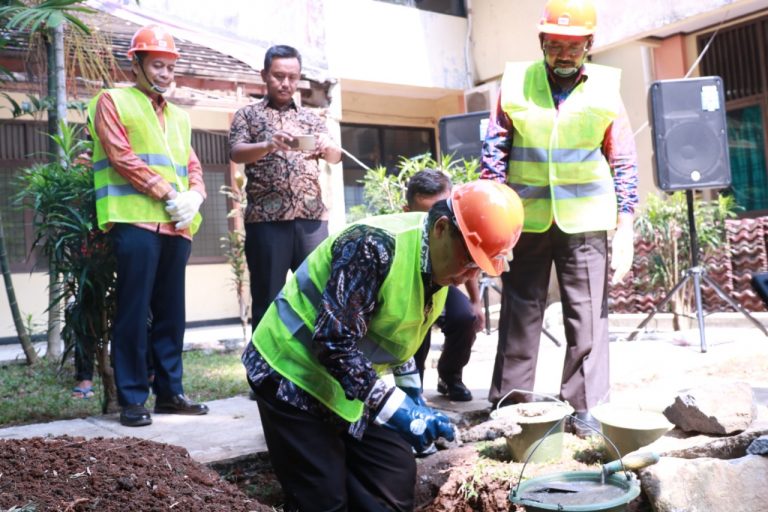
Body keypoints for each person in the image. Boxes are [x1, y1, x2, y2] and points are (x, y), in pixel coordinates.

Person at [243, 180, 523, 511]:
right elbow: (333, 342)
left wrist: (413, 398)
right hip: (290, 372)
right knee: (322, 499)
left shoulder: (438, 266)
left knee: (393, 476)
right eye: (469, 260)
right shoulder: (373, 247)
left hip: (342, 383)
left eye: (479, 267)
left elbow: (395, 334)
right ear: (441, 229)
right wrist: (395, 408)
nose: (468, 276)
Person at [480, 0, 638, 437]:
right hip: (524, 219)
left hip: (585, 220)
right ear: (542, 42)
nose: (564, 54)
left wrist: (626, 223)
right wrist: (494, 221)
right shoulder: (516, 82)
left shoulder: (606, 87)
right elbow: (494, 152)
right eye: (555, 45)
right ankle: (509, 405)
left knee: (587, 318)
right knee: (519, 313)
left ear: (589, 45)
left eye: (573, 46)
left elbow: (623, 158)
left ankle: (585, 409)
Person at [88, 24, 209, 427]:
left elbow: (192, 164)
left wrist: (196, 195)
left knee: (172, 315)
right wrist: (168, 193)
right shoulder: (112, 101)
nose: (165, 74)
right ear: (136, 64)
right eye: (157, 65)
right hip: (135, 222)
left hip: (176, 227)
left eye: (170, 67)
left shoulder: (179, 117)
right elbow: (121, 155)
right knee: (133, 312)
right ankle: (133, 398)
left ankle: (171, 394)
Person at [228, 44, 343, 333]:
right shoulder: (247, 115)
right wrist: (269, 144)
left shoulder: (311, 118)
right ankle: (264, 362)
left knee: (318, 296)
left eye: (292, 77)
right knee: (267, 299)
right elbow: (236, 152)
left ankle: (316, 359)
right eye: (279, 76)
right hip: (266, 222)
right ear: (264, 75)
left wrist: (328, 147)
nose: (286, 83)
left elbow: (335, 156)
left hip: (311, 220)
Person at [405, 170, 484, 402]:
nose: (435, 224)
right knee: (416, 324)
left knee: (465, 316)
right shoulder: (402, 236)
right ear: (407, 211)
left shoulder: (454, 225)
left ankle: (450, 376)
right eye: (426, 214)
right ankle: (413, 392)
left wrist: (476, 302)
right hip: (410, 284)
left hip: (443, 283)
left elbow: (466, 261)